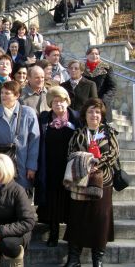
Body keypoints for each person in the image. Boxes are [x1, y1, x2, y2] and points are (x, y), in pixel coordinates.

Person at [63, 98, 119, 267]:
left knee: (100, 220)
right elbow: (70, 153)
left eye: (97, 112)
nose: (93, 115)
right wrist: (86, 164)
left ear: (101, 115)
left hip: (103, 182)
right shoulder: (78, 133)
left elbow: (114, 153)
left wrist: (97, 164)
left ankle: (98, 259)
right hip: (81, 180)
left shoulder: (109, 132)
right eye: (90, 111)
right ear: (85, 115)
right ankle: (74, 258)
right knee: (77, 218)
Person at [0, 81, 40, 196]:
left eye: (7, 93)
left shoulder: (28, 113)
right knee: (0, 194)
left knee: (20, 195)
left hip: (22, 162)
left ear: (17, 95)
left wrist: (32, 166)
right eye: (2, 93)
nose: (3, 96)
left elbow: (34, 142)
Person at [35, 86, 81, 248]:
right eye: (55, 102)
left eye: (61, 101)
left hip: (69, 166)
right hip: (49, 166)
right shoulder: (44, 117)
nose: (58, 105)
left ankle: (71, 235)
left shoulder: (76, 117)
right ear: (50, 103)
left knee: (69, 200)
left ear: (67, 101)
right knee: (52, 201)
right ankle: (53, 234)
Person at [83, 47, 117, 123]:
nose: (94, 56)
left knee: (103, 132)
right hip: (86, 106)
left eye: (96, 54)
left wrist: (104, 100)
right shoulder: (81, 69)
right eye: (92, 53)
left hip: (102, 105)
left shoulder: (106, 68)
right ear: (87, 55)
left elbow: (112, 86)